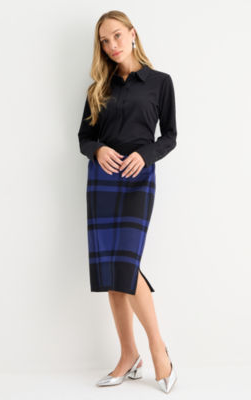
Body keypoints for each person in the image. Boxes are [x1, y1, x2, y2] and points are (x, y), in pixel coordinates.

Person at [77, 10, 178, 393]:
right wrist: (97, 149)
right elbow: (84, 138)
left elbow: (170, 136)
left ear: (133, 34)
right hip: (102, 179)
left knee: (125, 263)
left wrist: (146, 155)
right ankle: (128, 355)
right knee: (111, 271)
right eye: (104, 41)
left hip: (138, 178)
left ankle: (157, 349)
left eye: (117, 36)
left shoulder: (160, 82)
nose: (111, 45)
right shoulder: (97, 88)